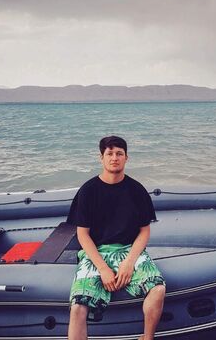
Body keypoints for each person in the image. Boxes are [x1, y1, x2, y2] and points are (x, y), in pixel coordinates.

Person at [67, 135, 166, 340]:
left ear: (126, 158)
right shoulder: (88, 191)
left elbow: (144, 231)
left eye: (119, 153)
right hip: (96, 252)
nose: (114, 158)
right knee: (77, 307)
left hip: (128, 249)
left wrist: (129, 262)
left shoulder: (136, 190)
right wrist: (103, 268)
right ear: (101, 157)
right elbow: (83, 234)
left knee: (158, 289)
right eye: (109, 153)